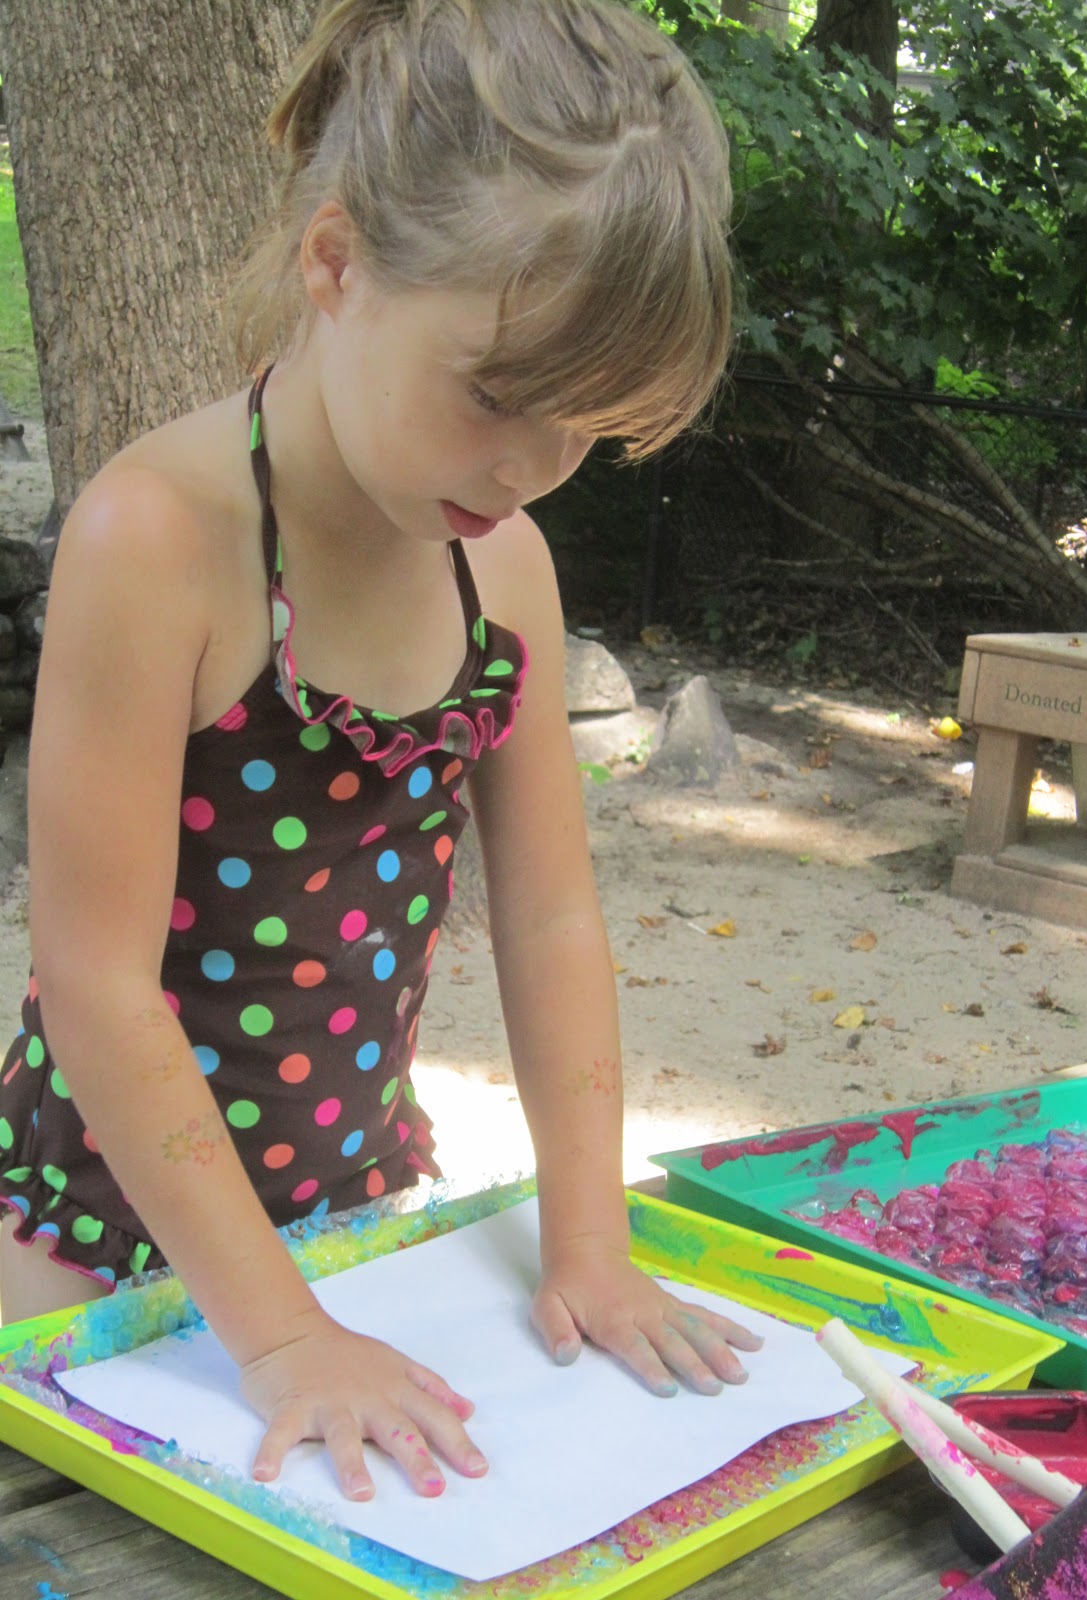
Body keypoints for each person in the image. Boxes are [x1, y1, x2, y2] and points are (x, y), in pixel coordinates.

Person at [0, 0, 760, 1505]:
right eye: (497, 397)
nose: (535, 467)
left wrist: (588, 1242)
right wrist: (278, 1340)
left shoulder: (507, 571)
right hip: (91, 1227)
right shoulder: (156, 541)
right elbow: (92, 979)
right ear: (334, 263)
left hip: (360, 1205)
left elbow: (549, 919)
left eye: (587, 432)